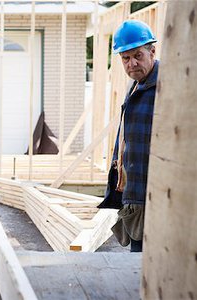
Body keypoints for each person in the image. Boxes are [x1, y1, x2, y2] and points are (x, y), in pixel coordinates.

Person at [108, 20, 159, 252]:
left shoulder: (166, 88)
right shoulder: (137, 86)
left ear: (152, 51)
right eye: (125, 58)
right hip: (135, 197)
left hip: (158, 203)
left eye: (138, 55)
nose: (132, 63)